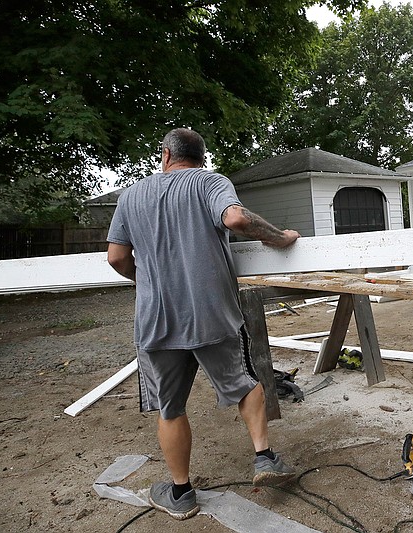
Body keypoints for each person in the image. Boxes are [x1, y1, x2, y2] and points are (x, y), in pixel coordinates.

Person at [106, 127, 300, 520]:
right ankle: (264, 459)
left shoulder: (132, 195)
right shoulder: (210, 182)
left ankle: (180, 493)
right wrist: (281, 238)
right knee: (244, 384)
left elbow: (115, 258)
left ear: (165, 155)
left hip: (155, 320)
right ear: (201, 157)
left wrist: (147, 282)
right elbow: (235, 218)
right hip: (210, 313)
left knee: (170, 407)